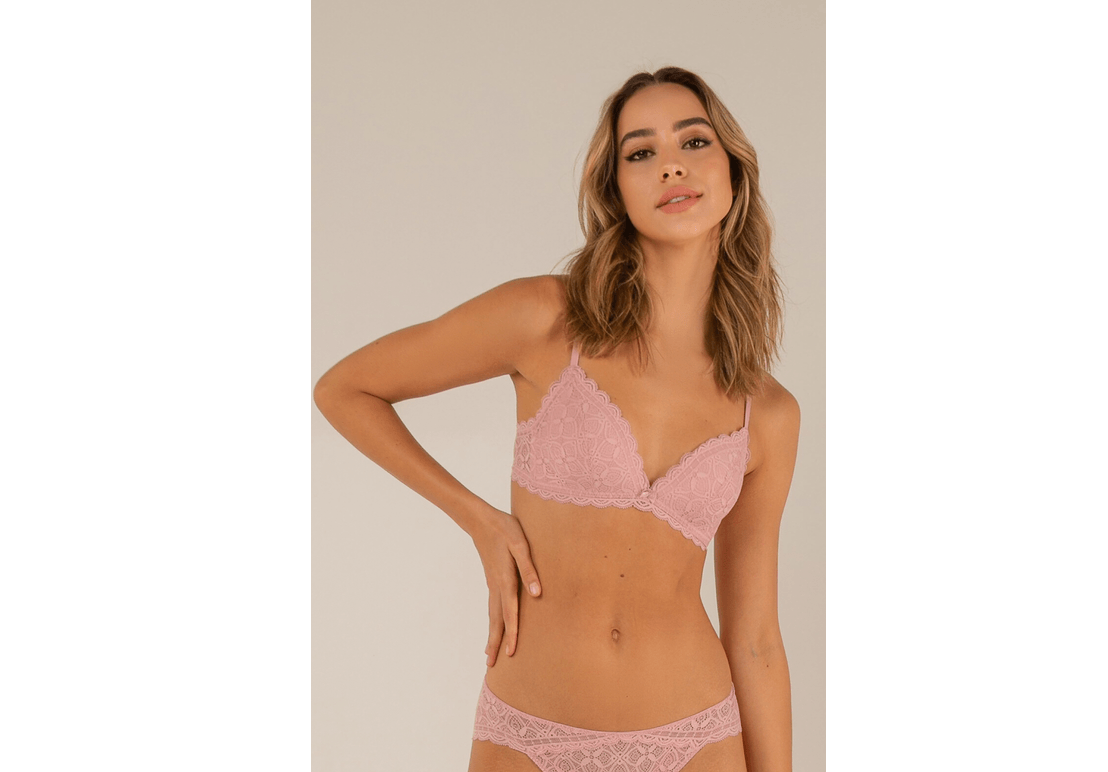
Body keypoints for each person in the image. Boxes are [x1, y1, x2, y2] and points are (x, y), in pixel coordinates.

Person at [314, 66, 800, 772]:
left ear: (733, 171)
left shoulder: (768, 412)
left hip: (698, 737)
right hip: (530, 732)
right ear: (617, 189)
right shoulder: (545, 319)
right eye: (641, 152)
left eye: (694, 141)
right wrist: (480, 520)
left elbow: (755, 640)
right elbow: (347, 388)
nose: (670, 164)